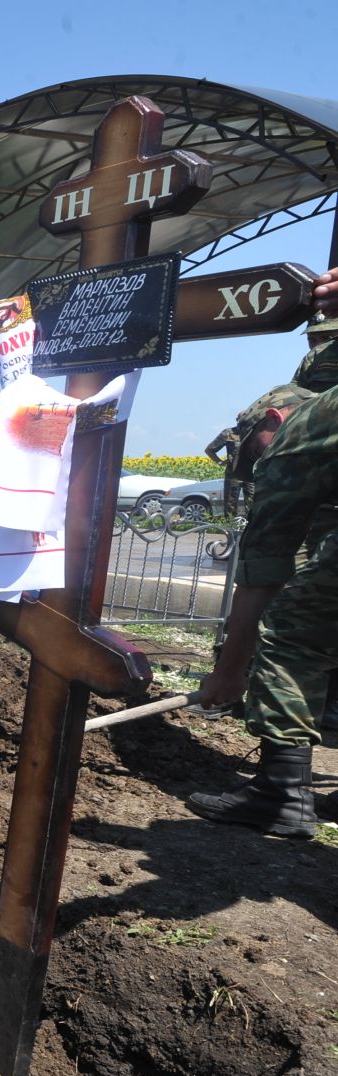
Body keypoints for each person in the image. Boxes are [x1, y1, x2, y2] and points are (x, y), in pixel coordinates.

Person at [187, 273, 338, 836]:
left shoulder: (305, 426)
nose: (258, 468)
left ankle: (280, 797)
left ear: (271, 422)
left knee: (294, 631)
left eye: (253, 455)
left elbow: (265, 570)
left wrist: (228, 676)